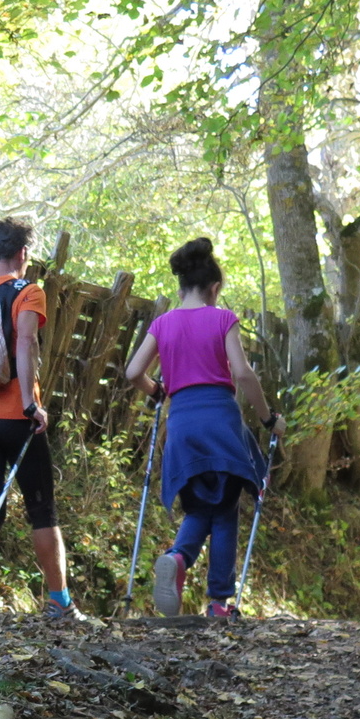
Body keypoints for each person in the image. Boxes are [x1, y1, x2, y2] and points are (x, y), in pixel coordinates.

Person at [124, 237, 284, 619]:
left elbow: (132, 372)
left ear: (181, 287)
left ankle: (178, 557)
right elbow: (243, 373)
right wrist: (267, 419)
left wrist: (157, 391)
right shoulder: (222, 319)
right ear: (214, 288)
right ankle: (218, 603)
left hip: (182, 425)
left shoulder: (163, 323)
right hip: (220, 423)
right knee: (226, 510)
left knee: (198, 507)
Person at [0, 217, 83, 620]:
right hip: (16, 418)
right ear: (23, 253)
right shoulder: (28, 291)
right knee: (42, 509)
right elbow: (26, 342)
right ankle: (58, 601)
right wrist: (29, 402)